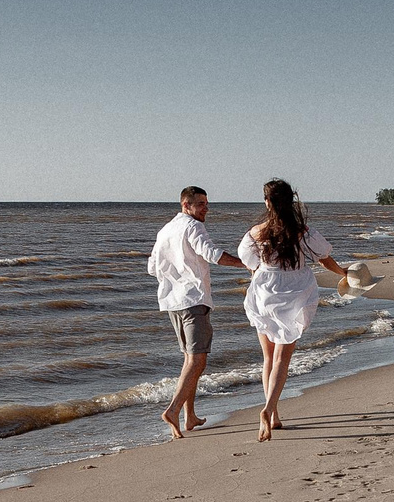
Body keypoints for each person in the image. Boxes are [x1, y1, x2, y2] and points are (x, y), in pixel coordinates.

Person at [236, 178, 344, 442]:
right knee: (283, 358)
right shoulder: (302, 231)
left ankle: (273, 415)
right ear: (291, 201)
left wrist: (264, 271)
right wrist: (345, 273)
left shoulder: (256, 232)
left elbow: (248, 261)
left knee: (267, 358)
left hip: (265, 291)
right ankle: (269, 409)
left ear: (267, 202)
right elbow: (324, 258)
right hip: (295, 291)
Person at [146, 186, 242, 438]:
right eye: (200, 204)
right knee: (198, 360)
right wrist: (247, 264)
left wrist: (175, 274)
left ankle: (190, 416)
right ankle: (173, 410)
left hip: (172, 302)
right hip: (193, 300)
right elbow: (212, 254)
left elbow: (152, 267)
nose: (206, 208)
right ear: (185, 205)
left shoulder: (165, 230)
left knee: (190, 360)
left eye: (207, 203)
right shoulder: (193, 227)